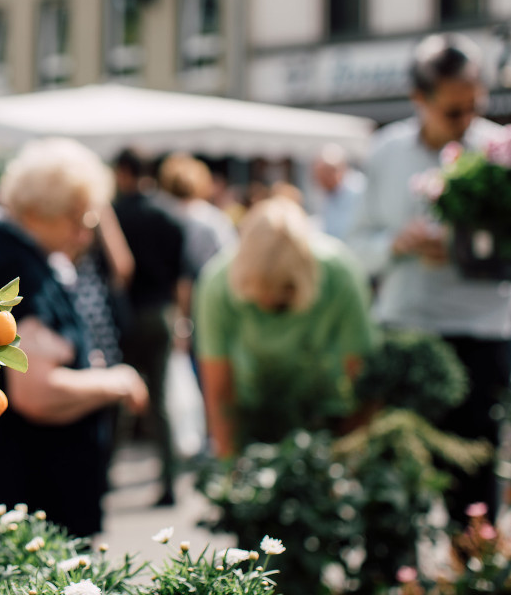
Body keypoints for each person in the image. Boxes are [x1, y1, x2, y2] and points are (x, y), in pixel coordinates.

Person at [349, 33, 511, 523]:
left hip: (481, 335)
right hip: (407, 330)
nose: (466, 121)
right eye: (453, 111)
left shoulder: (499, 151)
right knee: (396, 485)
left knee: (476, 490)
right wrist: (395, 246)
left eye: (474, 106)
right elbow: (356, 249)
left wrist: (468, 254)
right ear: (418, 100)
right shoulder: (385, 153)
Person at [0, 138, 148, 537]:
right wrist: (116, 381)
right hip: (27, 501)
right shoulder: (12, 262)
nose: (83, 235)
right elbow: (37, 391)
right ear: (34, 213)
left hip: (8, 492)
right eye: (76, 220)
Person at [196, 197, 375, 456]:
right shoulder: (217, 284)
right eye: (261, 295)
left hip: (327, 415)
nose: (270, 302)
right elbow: (220, 392)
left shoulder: (340, 272)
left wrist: (352, 456)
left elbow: (362, 376)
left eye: (285, 293)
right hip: (253, 415)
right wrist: (229, 471)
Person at [112, 148, 188, 507]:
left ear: (124, 172)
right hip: (161, 313)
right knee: (160, 401)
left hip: (125, 314)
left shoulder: (116, 214)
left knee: (117, 396)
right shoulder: (168, 215)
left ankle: (104, 476)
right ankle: (169, 481)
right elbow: (181, 274)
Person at [309, 143, 366, 240]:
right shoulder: (331, 192)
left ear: (335, 171)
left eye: (321, 177)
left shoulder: (358, 190)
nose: (319, 182)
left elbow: (349, 231)